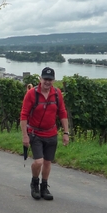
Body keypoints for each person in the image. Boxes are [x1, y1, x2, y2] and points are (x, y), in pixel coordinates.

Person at [20, 67, 69, 201]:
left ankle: (44, 186)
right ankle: (34, 183)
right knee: (38, 161)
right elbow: (23, 115)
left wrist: (66, 132)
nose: (47, 82)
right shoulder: (31, 94)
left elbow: (62, 113)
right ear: (40, 79)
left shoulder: (57, 94)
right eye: (45, 79)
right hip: (35, 133)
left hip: (51, 133)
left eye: (50, 79)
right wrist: (25, 135)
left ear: (53, 80)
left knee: (47, 162)